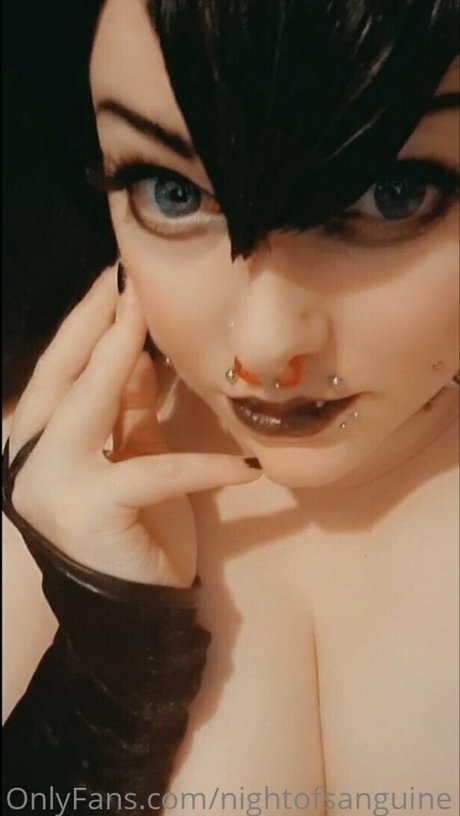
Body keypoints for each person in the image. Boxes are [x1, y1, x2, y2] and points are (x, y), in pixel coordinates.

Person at [2, 0, 459, 814]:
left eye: (392, 194)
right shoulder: (50, 506)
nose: (267, 346)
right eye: (172, 192)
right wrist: (102, 697)